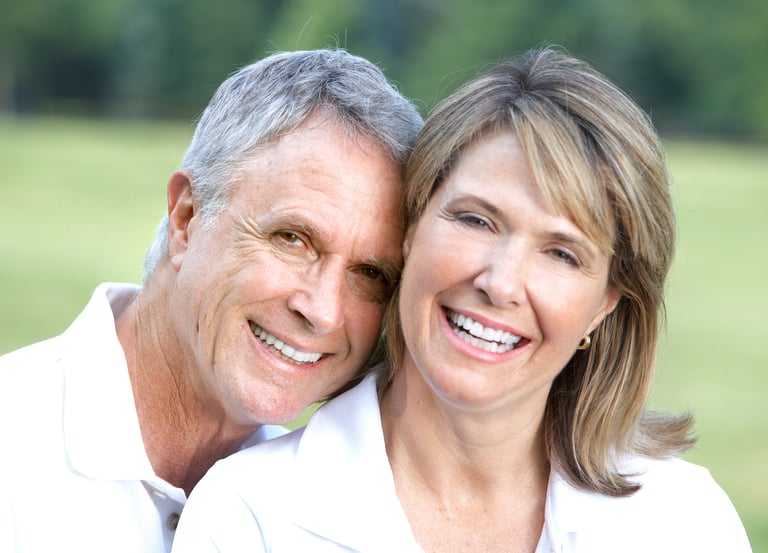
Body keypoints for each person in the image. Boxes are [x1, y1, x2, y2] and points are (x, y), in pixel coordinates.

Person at [170, 46, 752, 552]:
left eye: (562, 254)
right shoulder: (249, 515)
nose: (500, 282)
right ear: (411, 227)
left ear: (605, 304)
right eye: (476, 220)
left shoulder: (683, 522)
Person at [0, 49, 422, 553]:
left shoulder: (319, 511)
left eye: (370, 274)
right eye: (292, 238)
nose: (323, 310)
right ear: (187, 218)